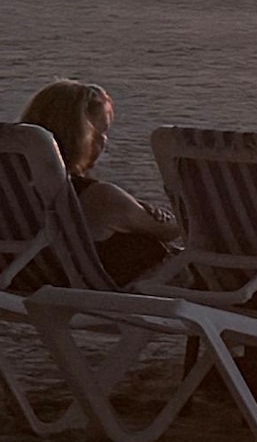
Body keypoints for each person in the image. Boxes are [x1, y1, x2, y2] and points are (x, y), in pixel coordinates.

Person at [16, 80, 181, 287]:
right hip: (148, 292)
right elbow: (173, 230)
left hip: (21, 279)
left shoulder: (6, 193)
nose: (104, 141)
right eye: (100, 132)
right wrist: (149, 212)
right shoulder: (100, 198)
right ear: (82, 138)